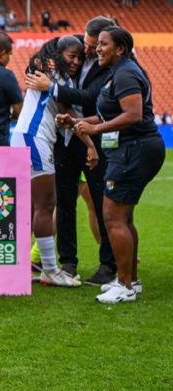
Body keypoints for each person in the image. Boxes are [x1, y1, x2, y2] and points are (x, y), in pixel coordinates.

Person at [69, 26, 165, 303]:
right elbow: (112, 114)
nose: (97, 48)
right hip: (132, 149)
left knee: (112, 216)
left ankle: (125, 286)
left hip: (134, 150)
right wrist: (82, 123)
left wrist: (95, 131)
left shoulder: (125, 73)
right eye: (97, 43)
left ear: (120, 48)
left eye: (103, 44)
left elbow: (133, 114)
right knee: (123, 217)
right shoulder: (121, 72)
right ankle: (129, 281)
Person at [25, 16, 117, 285]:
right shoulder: (73, 46)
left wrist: (51, 87)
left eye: (94, 46)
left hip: (94, 138)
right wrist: (36, 67)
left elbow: (90, 98)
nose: (87, 51)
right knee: (64, 202)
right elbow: (41, 56)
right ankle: (68, 264)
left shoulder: (109, 66)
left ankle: (108, 265)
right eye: (86, 43)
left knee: (102, 202)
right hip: (62, 140)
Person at [11, 36, 97, 287]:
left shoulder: (52, 73)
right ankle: (49, 268)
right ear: (58, 54)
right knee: (46, 204)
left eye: (80, 57)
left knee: (30, 206)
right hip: (34, 137)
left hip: (28, 136)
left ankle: (15, 267)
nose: (76, 61)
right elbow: (68, 112)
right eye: (72, 55)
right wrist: (91, 145)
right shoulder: (52, 73)